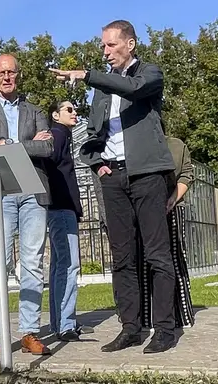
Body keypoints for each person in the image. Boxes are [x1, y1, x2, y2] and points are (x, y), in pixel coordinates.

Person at [52, 19, 177, 354]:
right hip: (114, 179)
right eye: (103, 46)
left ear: (130, 44)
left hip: (147, 175)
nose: (106, 52)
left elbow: (135, 90)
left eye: (111, 45)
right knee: (122, 257)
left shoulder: (150, 73)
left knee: (156, 254)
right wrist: (98, 164)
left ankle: (165, 329)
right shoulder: (102, 92)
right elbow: (93, 134)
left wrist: (85, 75)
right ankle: (130, 328)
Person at [0, 53, 55, 361]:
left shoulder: (34, 111)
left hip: (33, 193)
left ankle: (29, 332)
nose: (6, 77)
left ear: (19, 75)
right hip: (0, 195)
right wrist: (26, 143)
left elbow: (47, 147)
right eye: (0, 73)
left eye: (11, 72)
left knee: (32, 263)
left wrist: (8, 145)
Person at [138, 135, 196, 331]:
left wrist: (173, 198)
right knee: (166, 260)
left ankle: (154, 317)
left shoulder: (173, 145)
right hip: (162, 205)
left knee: (157, 260)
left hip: (160, 207)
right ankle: (177, 316)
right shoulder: (175, 145)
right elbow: (187, 174)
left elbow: (187, 173)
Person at [46, 98, 84, 341]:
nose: (74, 112)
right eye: (69, 109)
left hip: (59, 208)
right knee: (69, 265)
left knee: (59, 266)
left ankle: (58, 322)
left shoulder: (61, 136)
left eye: (75, 109)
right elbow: (50, 165)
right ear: (56, 115)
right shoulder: (58, 135)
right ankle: (65, 325)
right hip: (61, 208)